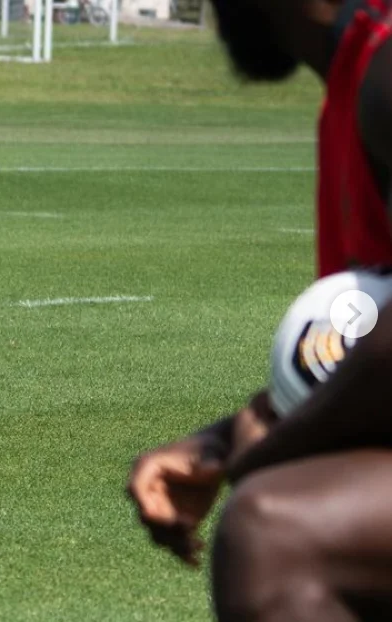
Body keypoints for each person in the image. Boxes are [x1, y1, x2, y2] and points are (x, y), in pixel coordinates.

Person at [125, 0, 392, 618]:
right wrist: (219, 442)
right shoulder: (356, 87)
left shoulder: (385, 76)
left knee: (274, 531)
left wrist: (260, 451)